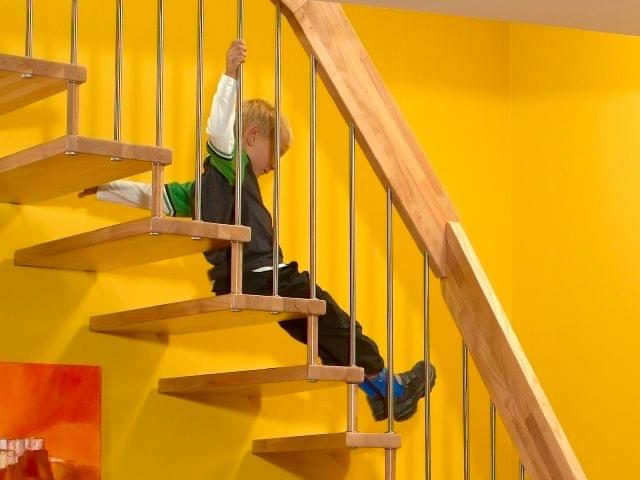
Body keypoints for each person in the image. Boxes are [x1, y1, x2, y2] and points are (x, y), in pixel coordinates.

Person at [83, 40, 435, 421]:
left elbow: (152, 196)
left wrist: (104, 188)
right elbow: (218, 131)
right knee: (334, 320)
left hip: (246, 279)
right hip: (265, 276)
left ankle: (378, 393)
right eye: (275, 153)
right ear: (250, 137)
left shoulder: (202, 190)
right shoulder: (231, 163)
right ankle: (392, 387)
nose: (275, 166)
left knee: (317, 333)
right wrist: (229, 77)